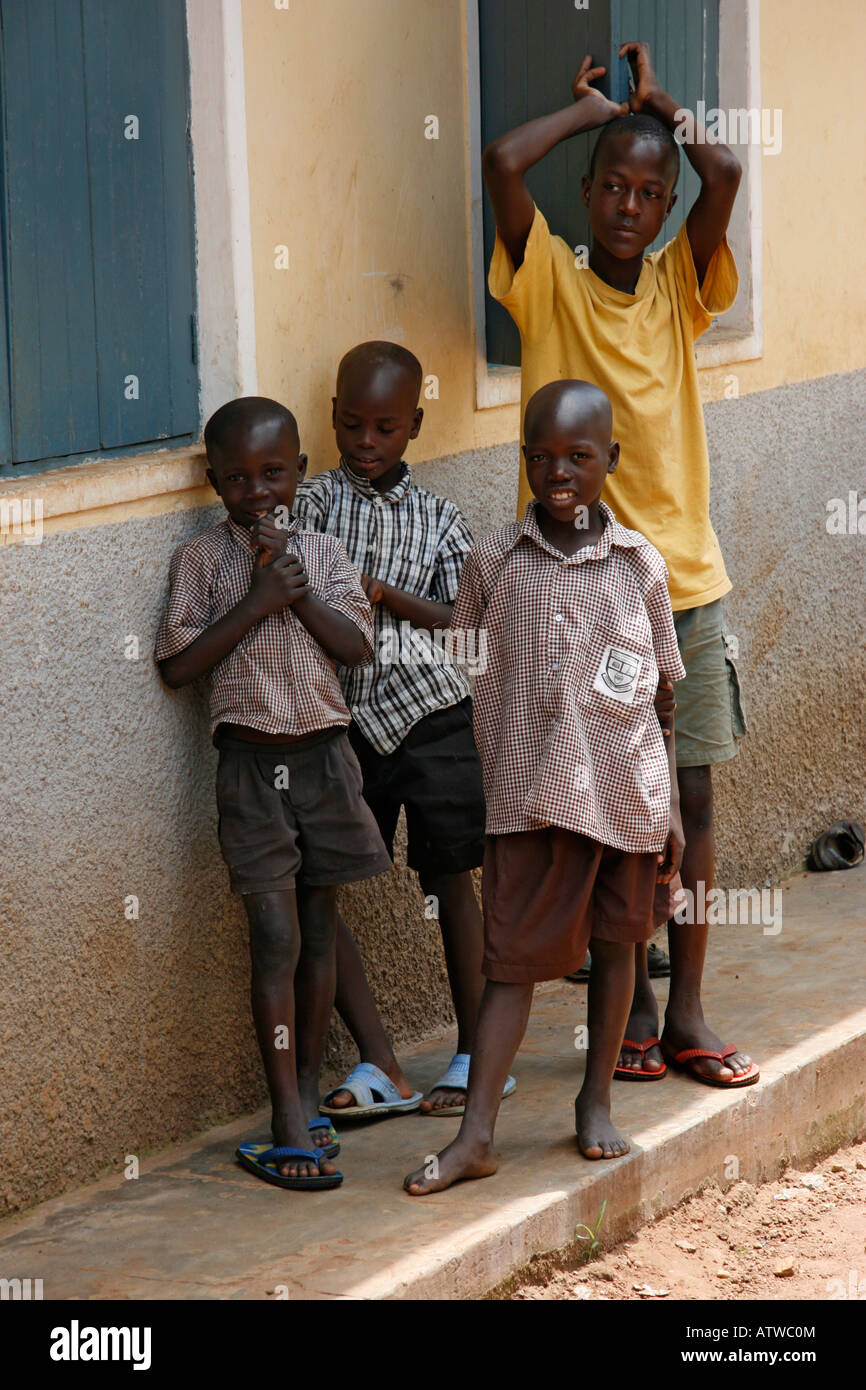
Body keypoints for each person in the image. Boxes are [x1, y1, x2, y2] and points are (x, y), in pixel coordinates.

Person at [480, 41, 758, 1088]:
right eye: (614, 188)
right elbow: (503, 164)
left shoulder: (680, 289)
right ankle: (626, 1004)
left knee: (687, 804)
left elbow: (721, 176)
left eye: (650, 191)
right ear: (588, 194)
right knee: (603, 809)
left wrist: (660, 109)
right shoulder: (546, 278)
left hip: (679, 584)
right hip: (573, 595)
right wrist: (589, 112)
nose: (633, 206)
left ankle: (684, 1006)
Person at [404, 379, 686, 1194]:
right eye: (540, 456)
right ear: (522, 457)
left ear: (612, 460)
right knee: (512, 966)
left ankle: (596, 1103)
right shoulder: (494, 561)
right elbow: (465, 666)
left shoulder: (640, 567)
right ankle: (477, 1135)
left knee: (618, 946)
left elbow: (663, 694)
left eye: (579, 457)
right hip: (531, 801)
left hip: (626, 801)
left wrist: (665, 803)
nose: (557, 471)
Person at [155, 397, 392, 1190]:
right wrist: (256, 602)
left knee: (320, 933)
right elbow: (177, 665)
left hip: (325, 762)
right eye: (238, 478)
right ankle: (286, 1113)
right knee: (276, 938)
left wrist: (298, 594)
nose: (258, 491)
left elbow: (357, 647)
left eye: (274, 473)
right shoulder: (201, 564)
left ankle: (309, 1097)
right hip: (251, 771)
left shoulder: (323, 553)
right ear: (214, 480)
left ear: (300, 469)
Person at [294, 341, 515, 1118]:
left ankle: (474, 1053)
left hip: (433, 715)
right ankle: (381, 1062)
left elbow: (466, 625)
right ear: (331, 419)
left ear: (414, 426)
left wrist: (385, 593)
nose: (365, 441)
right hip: (340, 720)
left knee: (454, 876)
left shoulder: (439, 517)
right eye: (351, 424)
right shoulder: (313, 504)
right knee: (315, 887)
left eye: (385, 427)